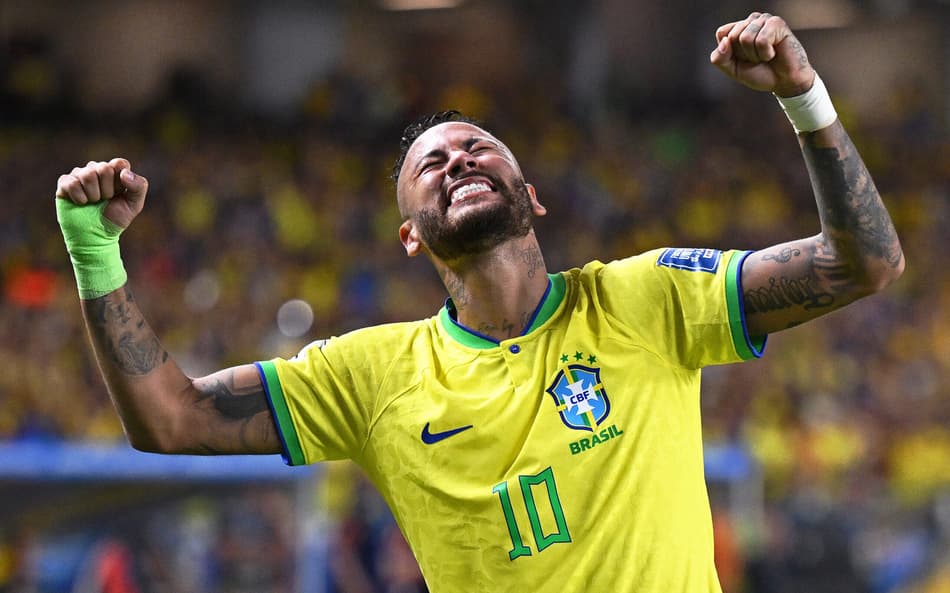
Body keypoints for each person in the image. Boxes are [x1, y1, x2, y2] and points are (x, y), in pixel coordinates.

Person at [54, 13, 904, 593]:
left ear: (530, 196)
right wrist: (96, 251)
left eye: (477, 147)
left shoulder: (649, 298)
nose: (456, 160)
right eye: (430, 164)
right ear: (412, 239)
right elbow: (167, 418)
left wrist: (804, 96)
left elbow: (862, 262)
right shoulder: (372, 375)